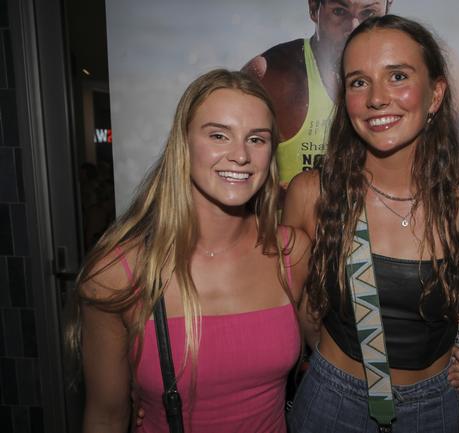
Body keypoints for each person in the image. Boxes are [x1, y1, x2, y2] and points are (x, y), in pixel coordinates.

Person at [283, 15, 459, 433]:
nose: (376, 98)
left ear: (436, 93)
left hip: (432, 409)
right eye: (358, 82)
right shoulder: (312, 194)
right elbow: (284, 318)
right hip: (328, 403)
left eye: (398, 76)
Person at [65, 69, 312, 432]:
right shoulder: (120, 273)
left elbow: (329, 362)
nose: (240, 155)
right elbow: (105, 416)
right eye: (218, 135)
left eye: (256, 139)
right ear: (183, 142)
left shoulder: (292, 253)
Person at [243, 0, 459, 186]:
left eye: (369, 13)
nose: (354, 28)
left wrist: (450, 194)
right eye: (340, 11)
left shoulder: (418, 58)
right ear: (314, 7)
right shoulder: (275, 76)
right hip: (297, 242)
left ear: (388, 6)